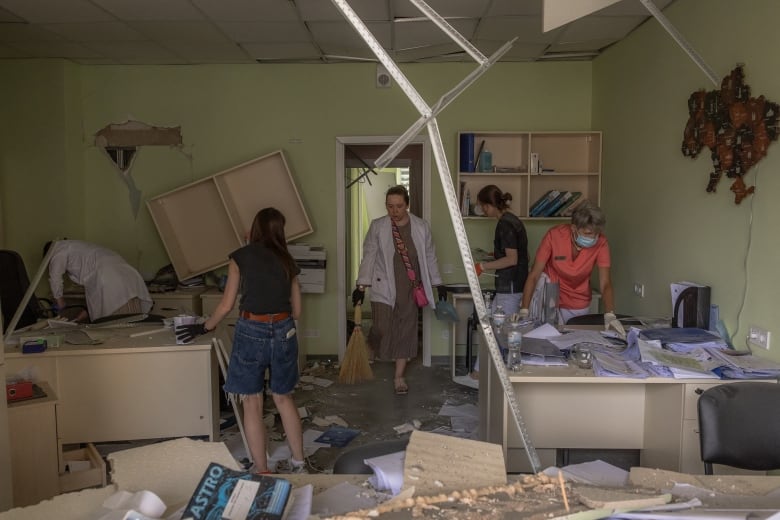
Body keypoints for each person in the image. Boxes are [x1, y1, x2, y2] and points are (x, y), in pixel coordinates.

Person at [174, 207, 306, 475]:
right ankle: (300, 464)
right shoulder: (288, 261)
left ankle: (261, 468)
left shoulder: (240, 258)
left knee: (252, 401)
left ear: (254, 230)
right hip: (284, 328)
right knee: (283, 398)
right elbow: (298, 312)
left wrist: (204, 327)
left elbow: (225, 305)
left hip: (251, 329)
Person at [352, 185, 445, 396]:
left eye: (399, 206)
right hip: (384, 282)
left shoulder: (421, 227)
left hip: (411, 287)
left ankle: (399, 376)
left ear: (407, 205)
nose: (394, 211)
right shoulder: (378, 226)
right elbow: (369, 256)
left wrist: (438, 283)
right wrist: (361, 285)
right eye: (390, 206)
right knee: (382, 327)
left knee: (406, 329)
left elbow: (429, 256)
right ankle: (372, 343)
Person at [518, 203, 624, 335]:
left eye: (596, 233)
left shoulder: (601, 243)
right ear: (574, 228)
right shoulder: (555, 235)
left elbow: (605, 283)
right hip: (550, 292)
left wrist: (610, 314)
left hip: (577, 298)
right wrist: (524, 310)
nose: (593, 238)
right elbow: (534, 275)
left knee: (574, 340)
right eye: (588, 233)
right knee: (546, 336)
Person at [469, 185, 529, 380]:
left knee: (499, 333)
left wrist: (483, 267)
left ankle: (488, 375)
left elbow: (512, 259)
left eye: (482, 206)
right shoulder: (514, 221)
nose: (483, 211)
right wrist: (493, 256)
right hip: (515, 285)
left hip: (509, 288)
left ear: (489, 205)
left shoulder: (504, 224)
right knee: (492, 330)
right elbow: (522, 255)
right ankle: (480, 371)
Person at [45, 239, 152, 322]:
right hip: (128, 274)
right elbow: (96, 295)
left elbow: (55, 279)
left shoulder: (57, 250)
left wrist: (61, 305)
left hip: (110, 279)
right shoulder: (77, 247)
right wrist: (88, 312)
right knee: (132, 322)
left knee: (118, 328)